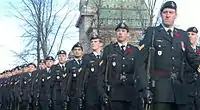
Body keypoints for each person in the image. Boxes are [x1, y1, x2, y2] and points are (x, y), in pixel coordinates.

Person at [135, 1, 200, 110]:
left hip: (180, 91)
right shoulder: (152, 33)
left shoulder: (182, 35)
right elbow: (140, 63)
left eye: (171, 12)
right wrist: (144, 87)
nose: (168, 15)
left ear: (175, 15)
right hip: (160, 91)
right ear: (161, 14)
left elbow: (192, 58)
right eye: (165, 12)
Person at [98, 22, 139, 110]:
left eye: (123, 31)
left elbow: (139, 72)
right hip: (114, 94)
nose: (120, 33)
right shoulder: (108, 49)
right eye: (118, 31)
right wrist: (102, 93)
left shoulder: (134, 50)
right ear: (115, 34)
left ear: (128, 34)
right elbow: (101, 73)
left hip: (131, 94)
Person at [79, 35, 103, 110]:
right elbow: (82, 76)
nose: (93, 43)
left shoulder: (105, 56)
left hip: (103, 90)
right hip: (91, 90)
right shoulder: (87, 58)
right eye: (92, 42)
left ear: (101, 44)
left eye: (95, 41)